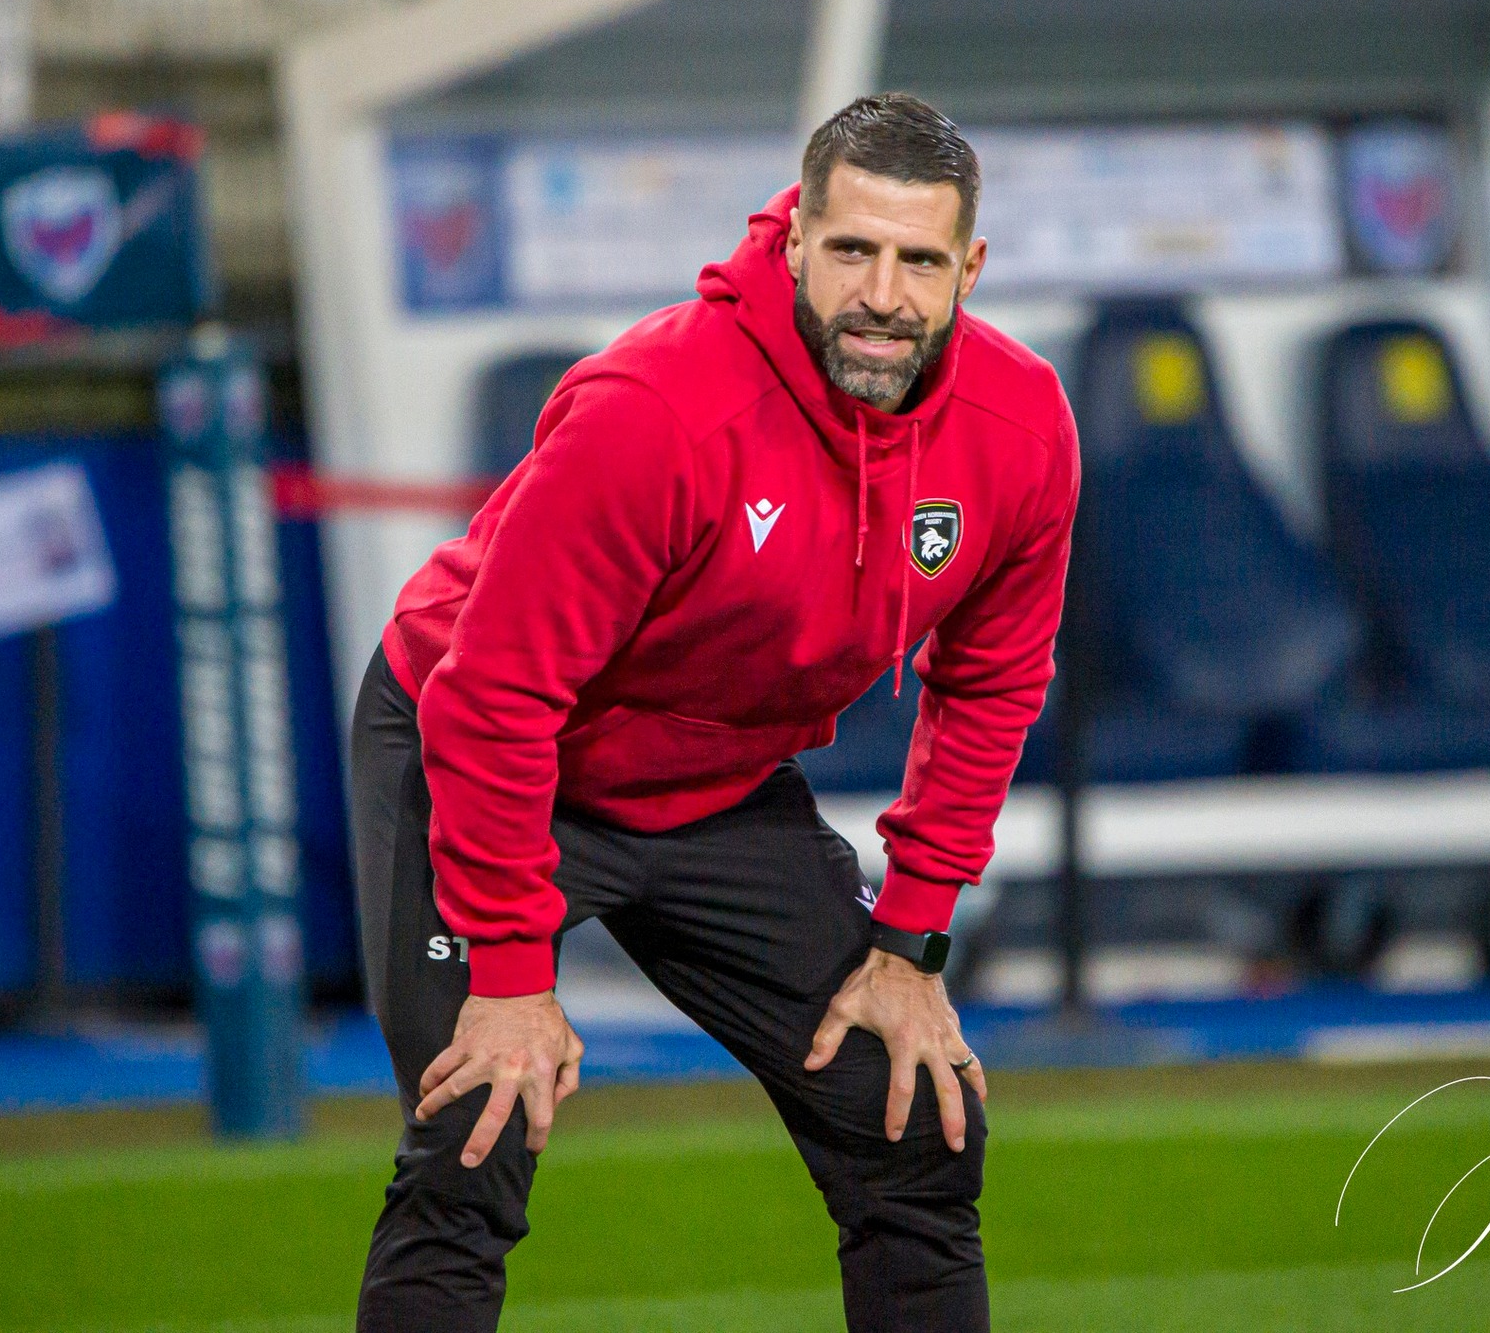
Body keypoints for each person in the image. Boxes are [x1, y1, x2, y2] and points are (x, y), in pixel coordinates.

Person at [350, 92, 1079, 1332]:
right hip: (484, 754)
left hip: (717, 789)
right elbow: (495, 695)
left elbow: (992, 681)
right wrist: (515, 976)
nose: (882, 295)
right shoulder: (659, 408)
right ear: (795, 237)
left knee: (912, 1118)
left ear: (970, 267)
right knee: (475, 1126)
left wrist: (909, 947)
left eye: (918, 260)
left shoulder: (1020, 430)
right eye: (851, 249)